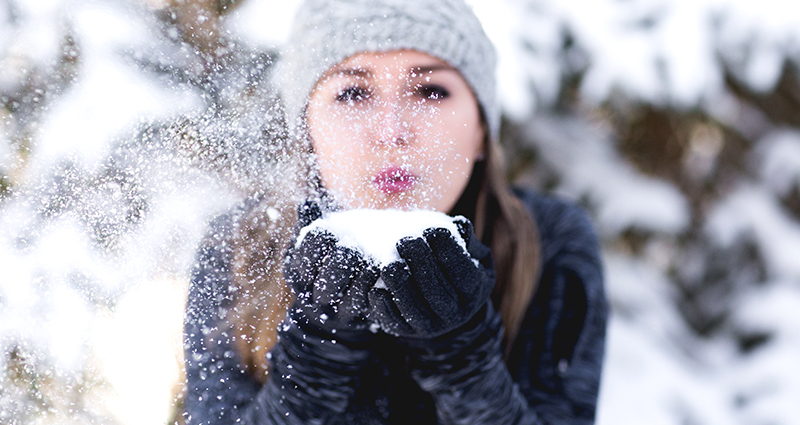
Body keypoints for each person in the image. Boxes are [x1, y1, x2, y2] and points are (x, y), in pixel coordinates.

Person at [183, 0, 608, 423]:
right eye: (352, 92)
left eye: (430, 90)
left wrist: (463, 357)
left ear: (481, 129)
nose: (391, 132)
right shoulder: (241, 246)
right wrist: (318, 352)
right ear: (307, 130)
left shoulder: (547, 242)